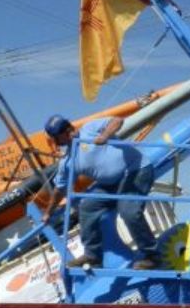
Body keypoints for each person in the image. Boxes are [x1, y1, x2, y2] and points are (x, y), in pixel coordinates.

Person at [41, 114, 160, 270]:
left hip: (136, 170)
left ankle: (152, 255)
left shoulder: (89, 129)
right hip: (111, 185)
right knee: (86, 207)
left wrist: (105, 135)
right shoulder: (68, 161)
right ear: (58, 139)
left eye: (67, 126)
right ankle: (93, 256)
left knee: (128, 211)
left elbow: (117, 120)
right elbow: (60, 189)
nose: (69, 130)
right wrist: (48, 212)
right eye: (63, 131)